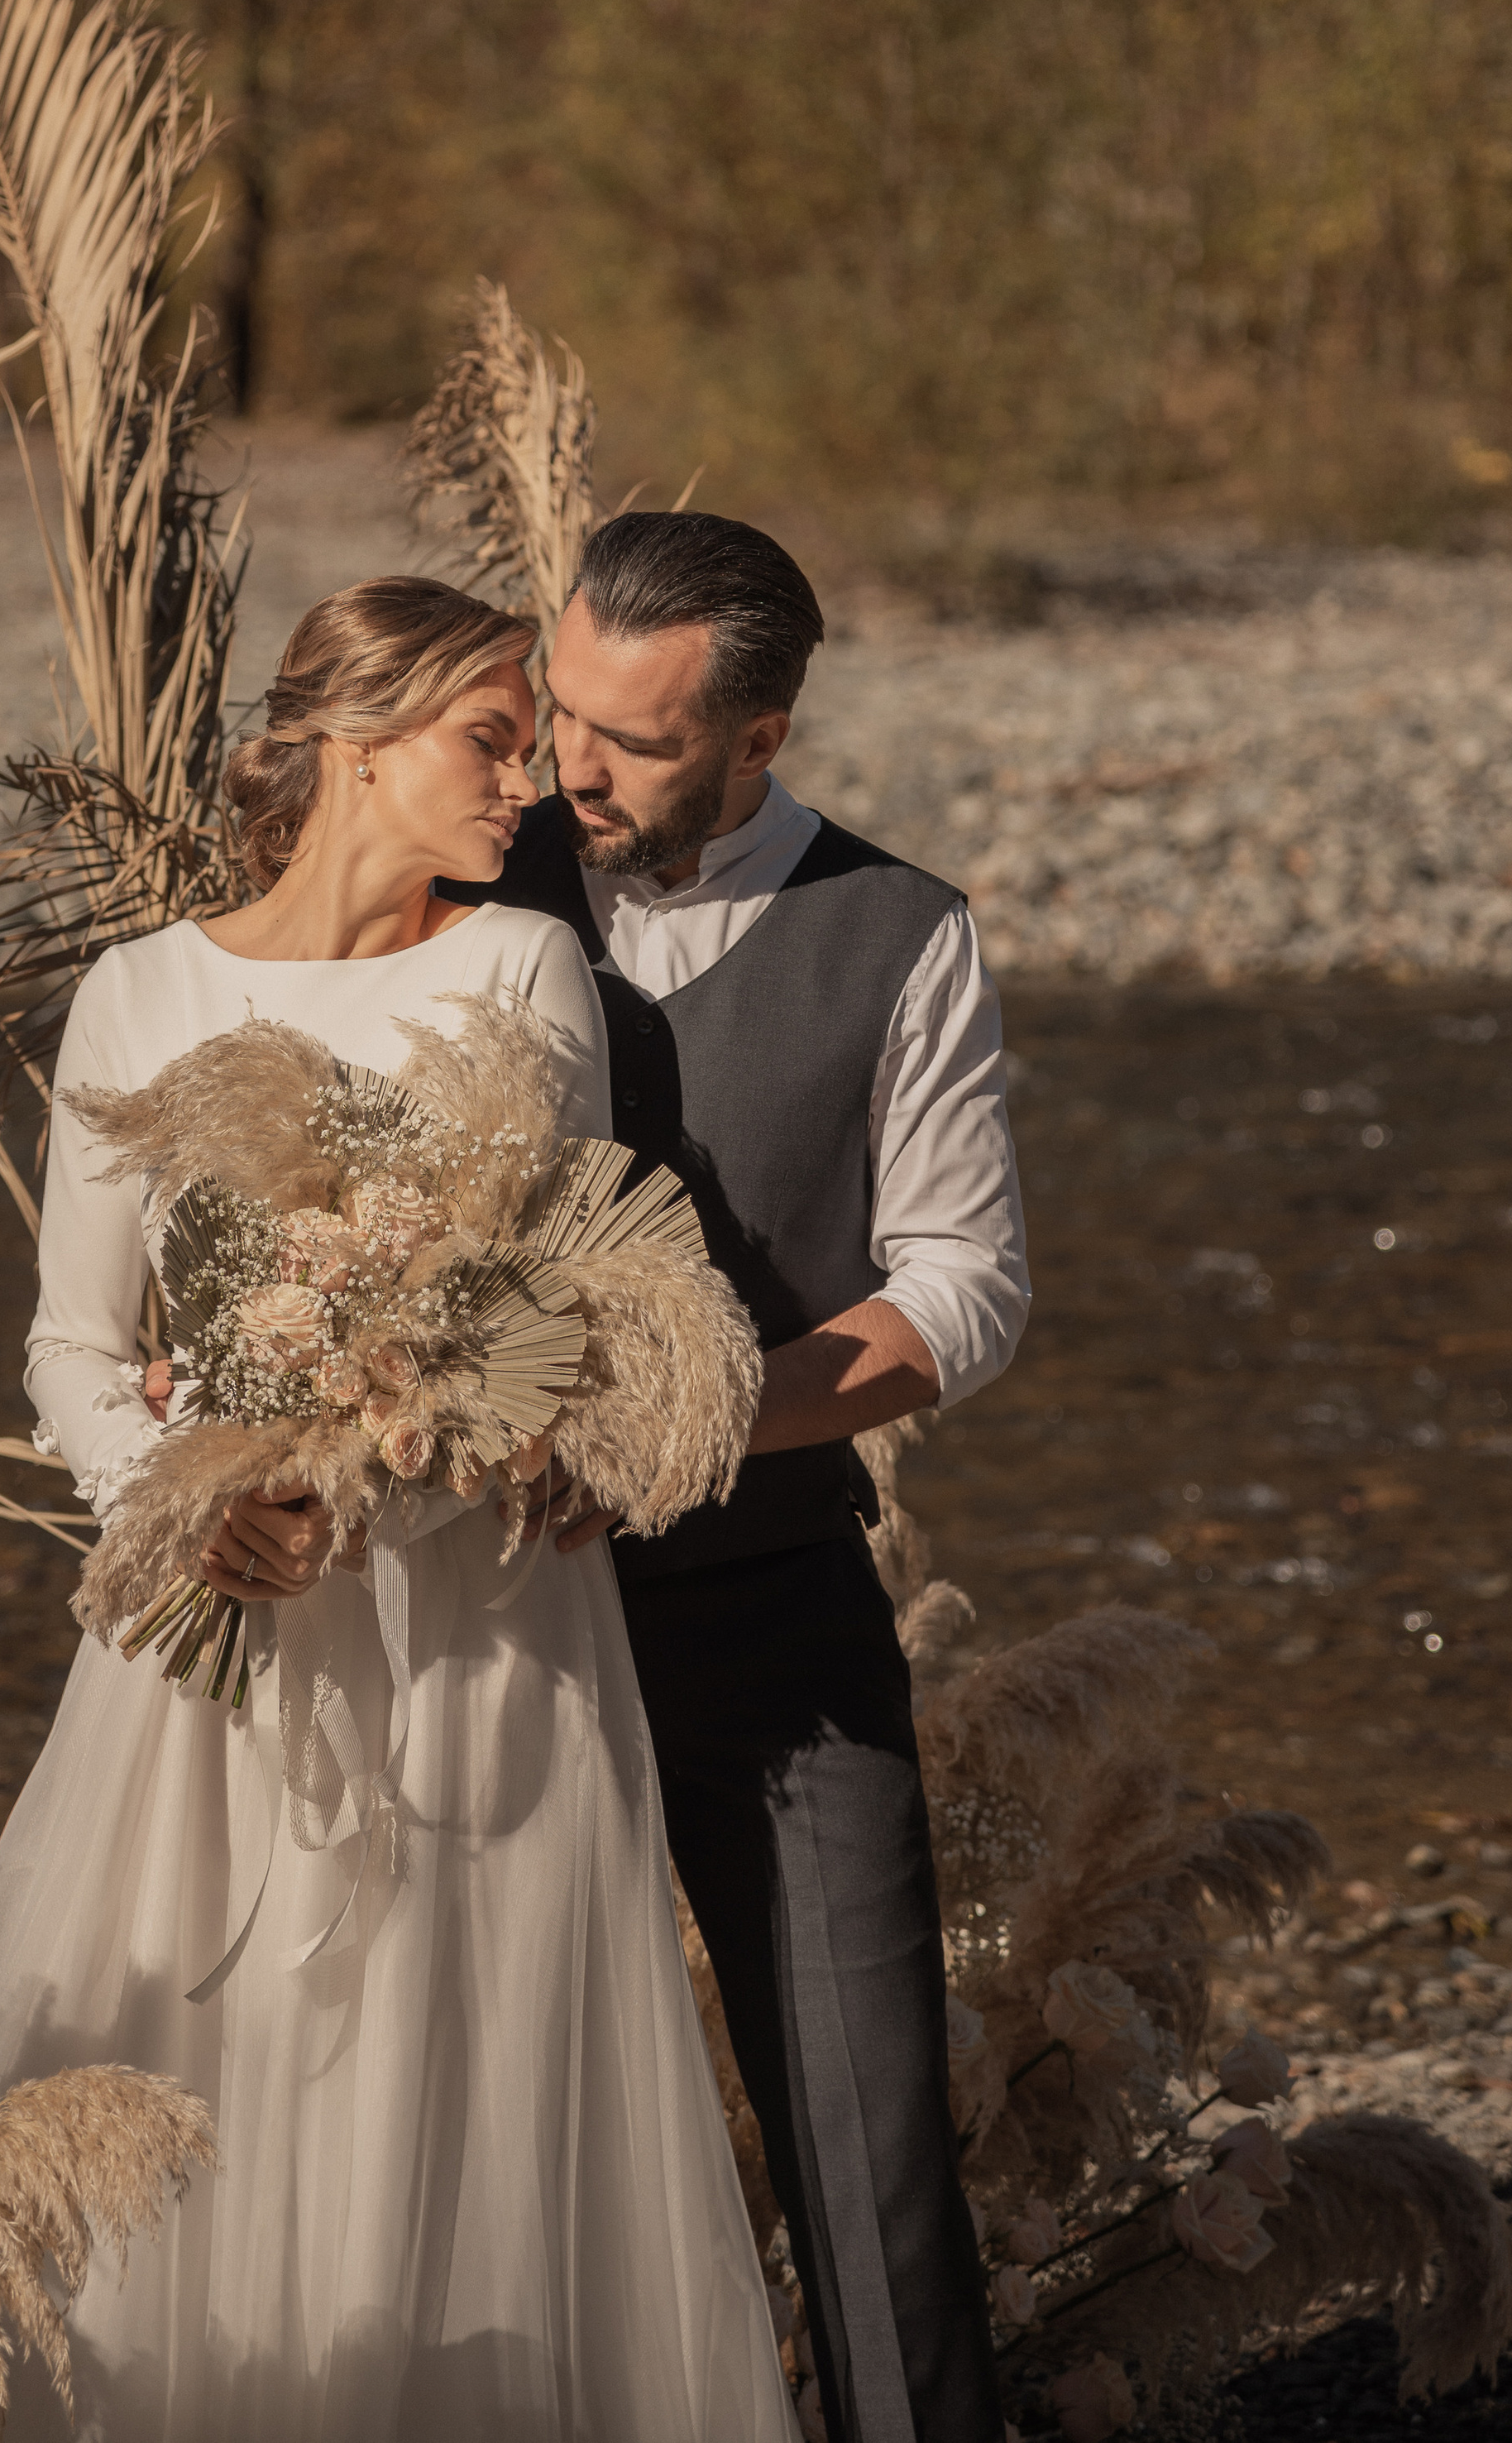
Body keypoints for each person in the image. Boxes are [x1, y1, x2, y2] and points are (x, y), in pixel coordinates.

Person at [0, 576, 797, 2443]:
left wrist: (367, 1486)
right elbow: (71, 1347)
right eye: (491, 737)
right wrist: (188, 1501)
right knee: (170, 2085)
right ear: (354, 744)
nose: (530, 780)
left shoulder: (517, 974)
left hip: (474, 1639)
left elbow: (529, 1307)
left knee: (447, 2097)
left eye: (535, 739)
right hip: (206, 1654)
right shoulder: (138, 993)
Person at [450, 511, 1030, 2443]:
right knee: (477, 2133)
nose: (565, 765)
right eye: (556, 711)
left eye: (628, 738)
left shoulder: (901, 933)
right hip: (468, 1628)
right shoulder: (456, 875)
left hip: (767, 1606)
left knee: (870, 2145)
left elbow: (964, 1287)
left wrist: (680, 1430)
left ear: (757, 739)